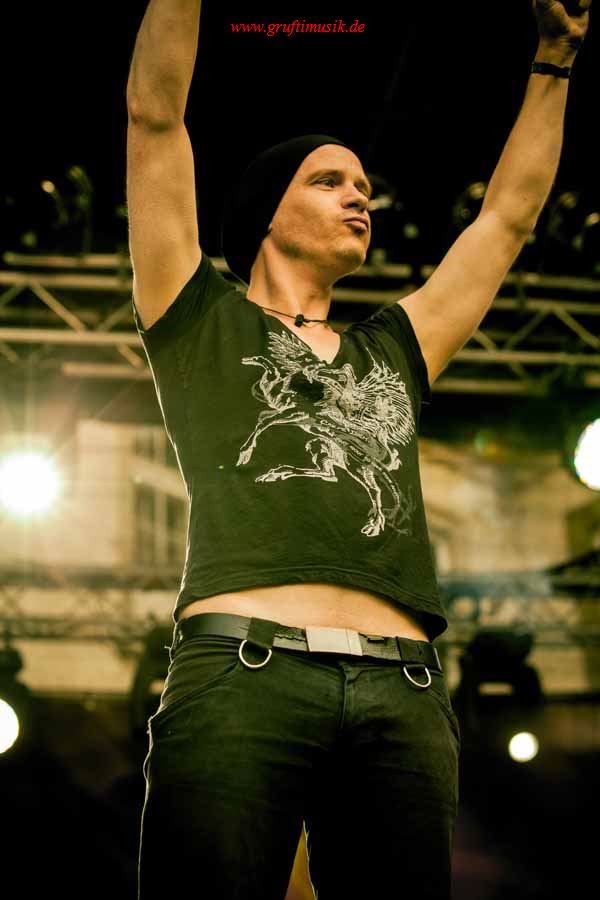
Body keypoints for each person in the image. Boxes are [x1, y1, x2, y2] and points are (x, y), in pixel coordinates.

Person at [126, 1, 591, 897]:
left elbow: (505, 221)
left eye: (364, 185)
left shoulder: (395, 348)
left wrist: (556, 60)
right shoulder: (196, 318)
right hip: (240, 672)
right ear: (267, 213)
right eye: (330, 181)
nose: (359, 196)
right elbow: (154, 114)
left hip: (403, 690)